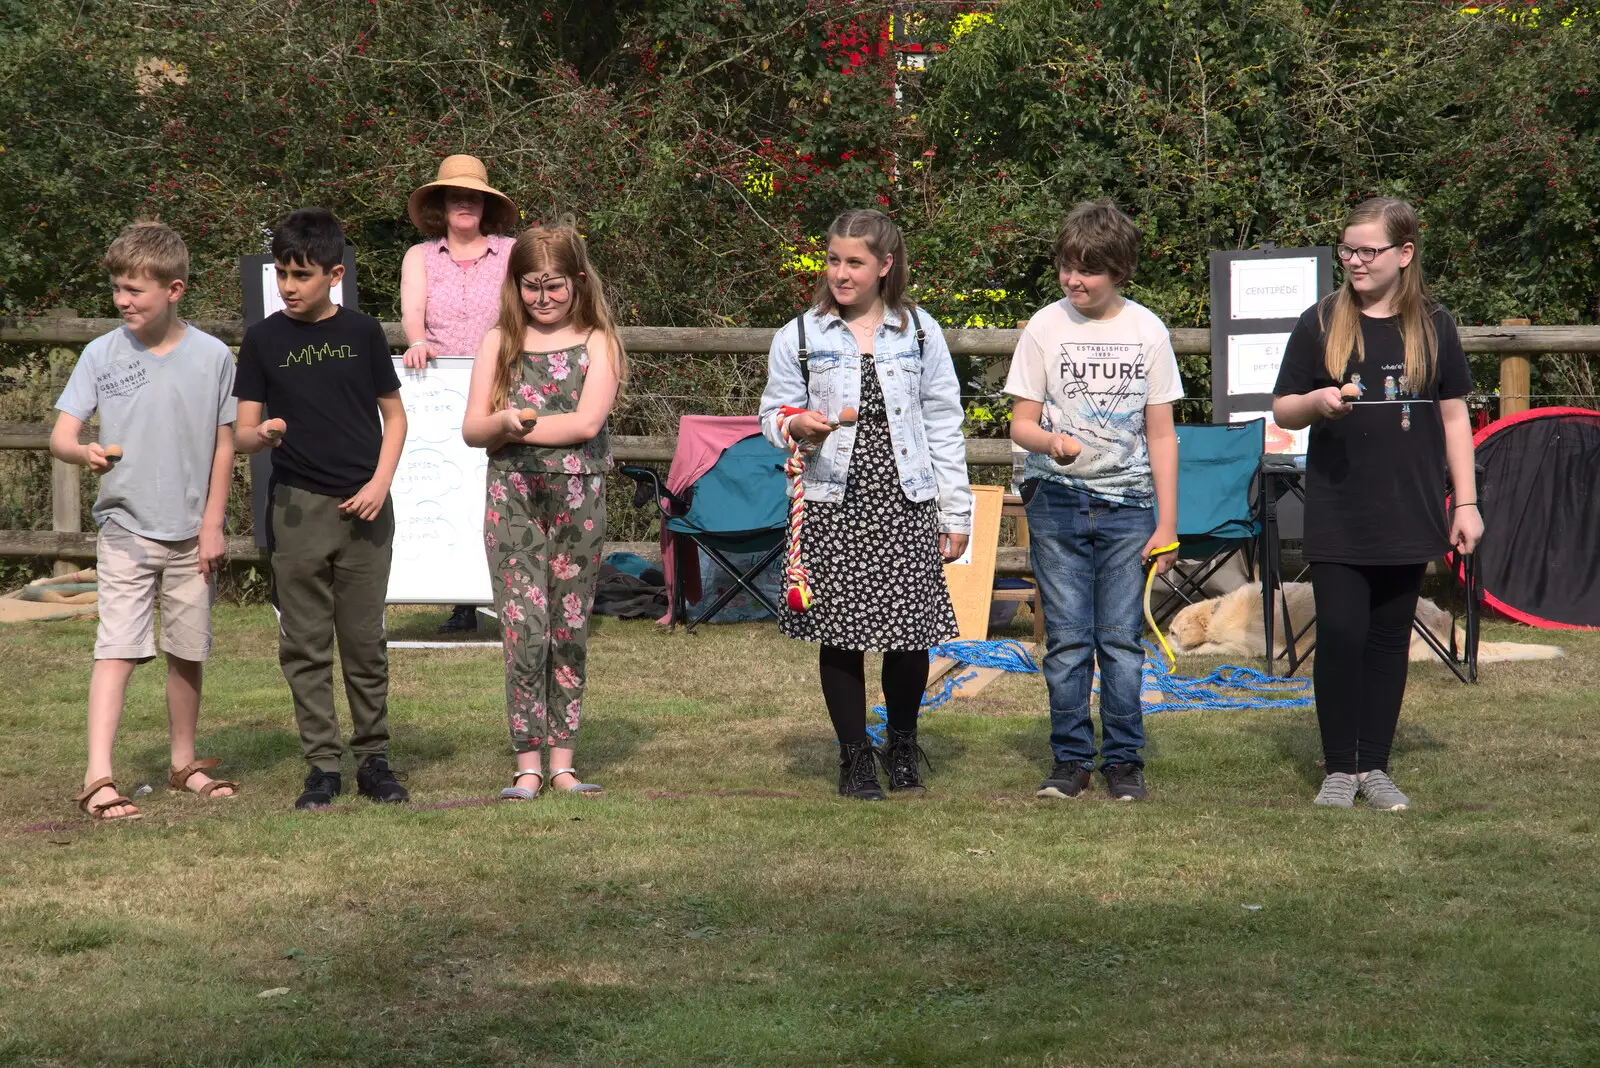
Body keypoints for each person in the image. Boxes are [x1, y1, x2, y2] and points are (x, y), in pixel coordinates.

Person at [1272, 196, 1481, 812]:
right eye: (1349, 249)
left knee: (1390, 639)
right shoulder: (1320, 321)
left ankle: (1375, 767)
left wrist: (1464, 503)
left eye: (1369, 250)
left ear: (1404, 254)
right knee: (1339, 632)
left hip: (1409, 510)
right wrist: (1318, 403)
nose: (1356, 261)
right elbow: (1283, 406)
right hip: (1339, 507)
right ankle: (1339, 768)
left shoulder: (1434, 325)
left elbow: (1454, 416)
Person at [758, 209, 972, 801]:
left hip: (906, 497)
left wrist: (956, 514)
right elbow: (771, 415)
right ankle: (854, 758)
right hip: (833, 500)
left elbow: (944, 424)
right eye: (833, 260)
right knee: (842, 636)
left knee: (909, 635)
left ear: (885, 265)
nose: (840, 273)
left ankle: (900, 746)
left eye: (855, 262)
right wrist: (796, 424)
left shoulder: (921, 332)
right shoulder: (799, 335)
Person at [51, 221, 240, 821]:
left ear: (175, 289)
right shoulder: (100, 353)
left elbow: (225, 445)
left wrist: (213, 523)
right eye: (117, 288)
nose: (123, 300)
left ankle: (184, 763)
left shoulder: (213, 356)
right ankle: (97, 777)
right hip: (126, 529)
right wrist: (82, 452)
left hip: (191, 532)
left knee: (188, 649)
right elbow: (62, 434)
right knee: (117, 648)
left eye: (135, 289)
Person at [233, 207, 411, 810]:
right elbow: (241, 434)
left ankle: (375, 762)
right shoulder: (262, 339)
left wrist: (380, 484)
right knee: (305, 645)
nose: (287, 287)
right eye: (281, 274)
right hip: (297, 512)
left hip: (366, 508)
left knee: (364, 642)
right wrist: (265, 434)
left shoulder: (363, 332)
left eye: (300, 275)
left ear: (333, 275)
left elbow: (395, 416)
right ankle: (322, 768)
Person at [1005, 200, 1181, 803]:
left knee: (1121, 641)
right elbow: (1019, 425)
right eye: (1065, 266)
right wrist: (1051, 442)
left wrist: (1168, 523)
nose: (1073, 280)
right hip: (1055, 503)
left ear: (1120, 270)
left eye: (1088, 270)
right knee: (1070, 641)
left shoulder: (1148, 331)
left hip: (1130, 510)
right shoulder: (1043, 328)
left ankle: (1125, 761)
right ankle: (1071, 760)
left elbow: (1161, 435)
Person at [461, 225, 623, 800]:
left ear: (578, 281)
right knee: (523, 631)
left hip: (579, 500)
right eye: (531, 287)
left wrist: (514, 427)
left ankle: (563, 763)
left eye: (554, 286)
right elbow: (472, 428)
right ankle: (526, 764)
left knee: (568, 627)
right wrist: (499, 425)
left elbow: (585, 424)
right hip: (512, 502)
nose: (543, 298)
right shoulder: (497, 342)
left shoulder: (599, 340)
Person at [400, 154, 519, 634]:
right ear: (442, 205)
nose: (464, 203)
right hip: (441, 388)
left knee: (501, 489)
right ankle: (461, 599)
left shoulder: (512, 251)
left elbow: (526, 307)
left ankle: (508, 591)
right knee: (449, 490)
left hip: (503, 381)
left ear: (486, 205)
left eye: (473, 196)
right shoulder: (419, 256)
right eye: (455, 196)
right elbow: (413, 313)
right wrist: (416, 342)